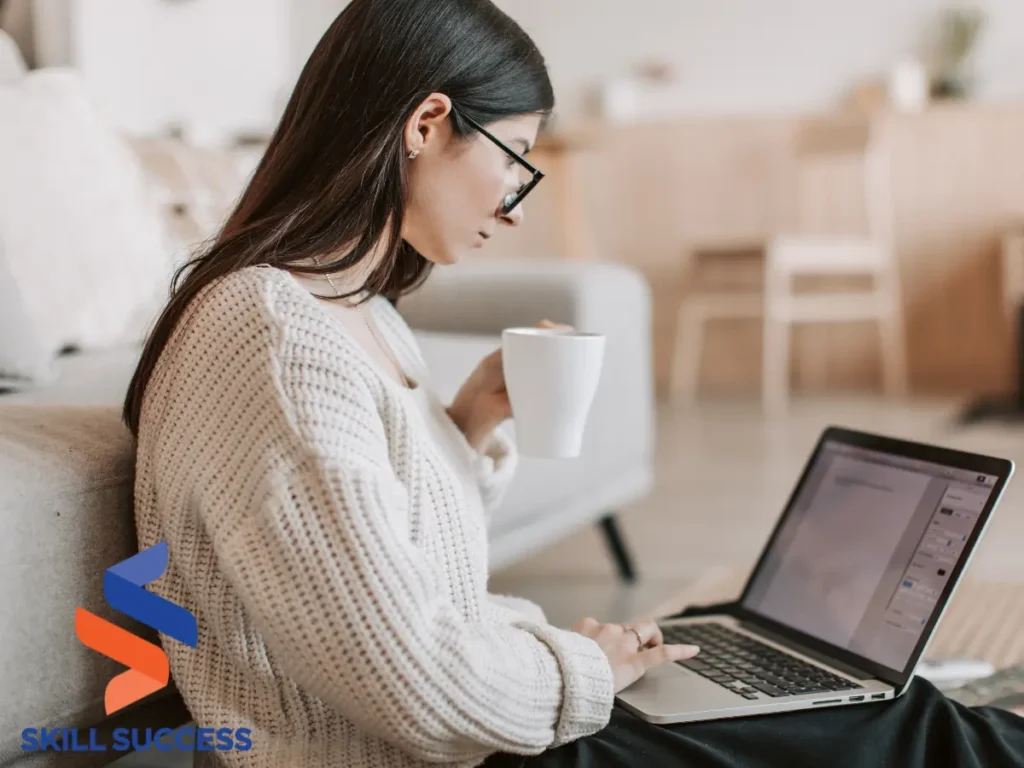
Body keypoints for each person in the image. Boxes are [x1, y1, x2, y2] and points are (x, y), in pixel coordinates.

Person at [121, 1, 1024, 766]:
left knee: (754, 662)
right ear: (427, 123)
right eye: (515, 159)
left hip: (485, 721)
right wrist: (582, 669)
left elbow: (401, 569)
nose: (516, 205)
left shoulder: (354, 312)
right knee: (900, 727)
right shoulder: (273, 334)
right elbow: (419, 688)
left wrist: (466, 424)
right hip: (445, 748)